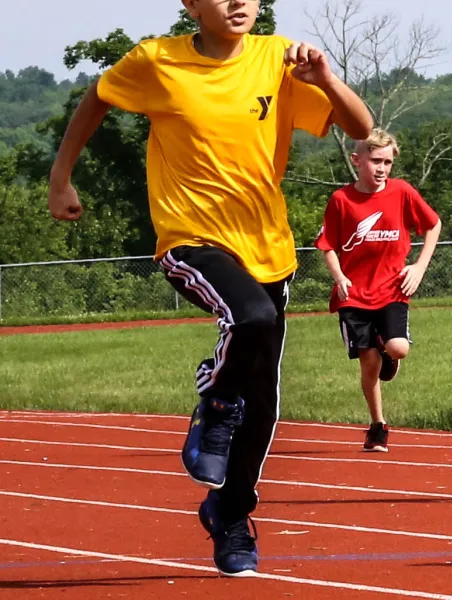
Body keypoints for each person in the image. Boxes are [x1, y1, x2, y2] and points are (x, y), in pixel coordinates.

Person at [46, 0, 372, 576]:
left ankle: (230, 513)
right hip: (189, 237)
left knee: (265, 398)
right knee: (250, 319)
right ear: (192, 4)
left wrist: (323, 76)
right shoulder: (158, 60)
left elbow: (360, 127)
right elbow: (96, 98)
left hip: (267, 248)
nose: (239, 2)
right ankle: (216, 401)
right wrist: (61, 177)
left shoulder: (278, 59)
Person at [315, 129, 442, 453]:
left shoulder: (401, 192)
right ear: (357, 160)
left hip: (392, 289)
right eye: (375, 161)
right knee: (368, 363)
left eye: (387, 162)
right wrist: (339, 276)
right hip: (354, 295)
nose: (382, 168)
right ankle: (377, 426)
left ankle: (388, 351)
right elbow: (327, 245)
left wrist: (418, 267)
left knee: (399, 348)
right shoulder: (341, 200)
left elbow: (433, 224)